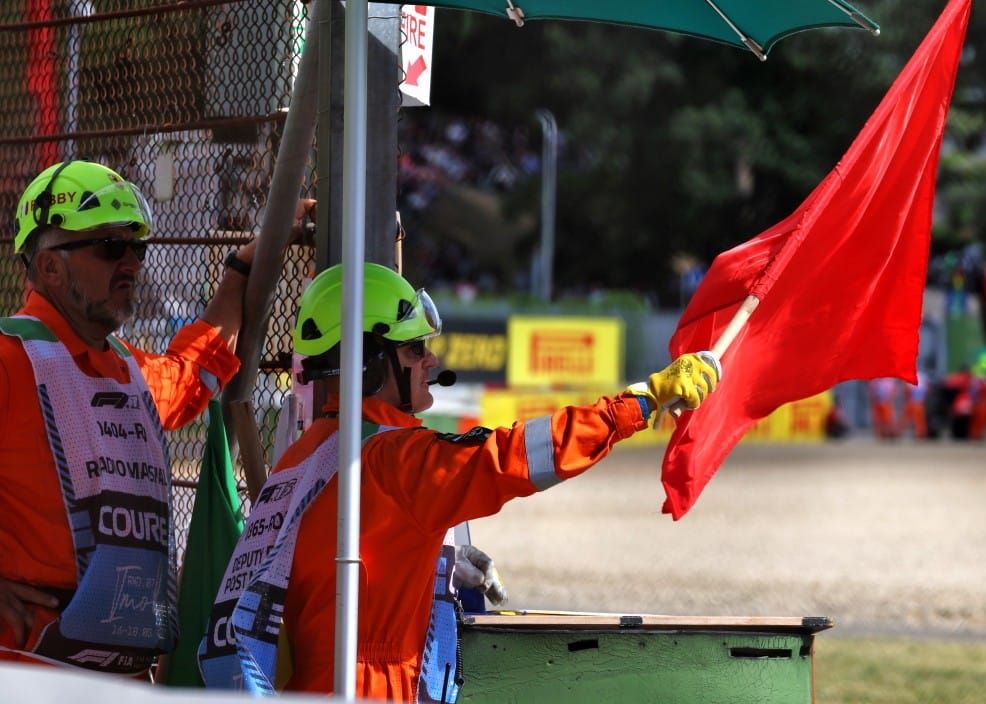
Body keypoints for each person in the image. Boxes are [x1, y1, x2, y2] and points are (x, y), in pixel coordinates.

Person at [198, 263, 720, 702]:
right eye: (413, 350)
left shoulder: (304, 455)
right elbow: (515, 456)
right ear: (368, 361)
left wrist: (437, 558)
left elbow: (351, 562)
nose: (431, 360)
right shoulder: (395, 458)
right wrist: (639, 403)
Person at [0, 159, 302, 676]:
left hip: (121, 674)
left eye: (136, 248)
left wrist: (240, 270)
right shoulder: (10, 360)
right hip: (26, 671)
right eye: (110, 247)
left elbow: (192, 373)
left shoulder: (127, 372)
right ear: (49, 267)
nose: (133, 264)